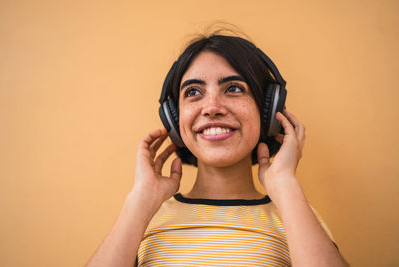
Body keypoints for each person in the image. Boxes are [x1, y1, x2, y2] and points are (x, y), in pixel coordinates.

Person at [87, 33, 349, 267]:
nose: (212, 107)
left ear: (267, 112)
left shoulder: (296, 216)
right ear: (174, 119)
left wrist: (285, 185)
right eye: (193, 92)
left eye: (233, 89)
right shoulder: (142, 220)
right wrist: (140, 199)